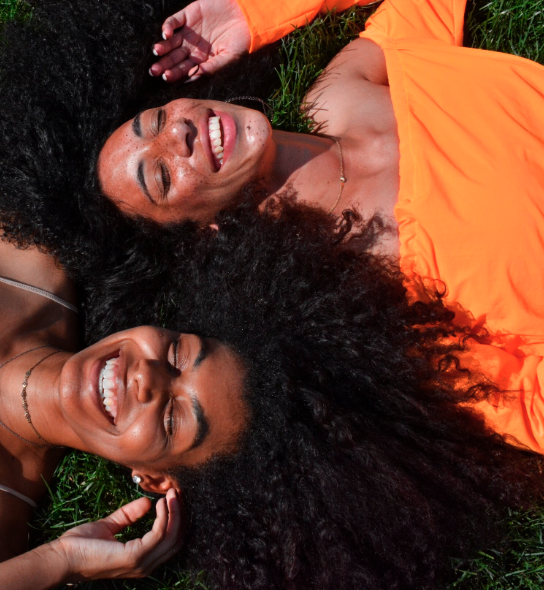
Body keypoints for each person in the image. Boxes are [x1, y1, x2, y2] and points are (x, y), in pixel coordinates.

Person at [0, 167, 542, 590]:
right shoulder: (32, 265)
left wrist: (56, 565)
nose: (148, 378)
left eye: (178, 418)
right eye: (180, 353)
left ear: (151, 478)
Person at [96, 0, 544, 454]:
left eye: (156, 120)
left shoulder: (337, 95)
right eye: (162, 176)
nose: (178, 135)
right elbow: (527, 405)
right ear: (201, 234)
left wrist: (253, 15)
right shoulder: (362, 296)